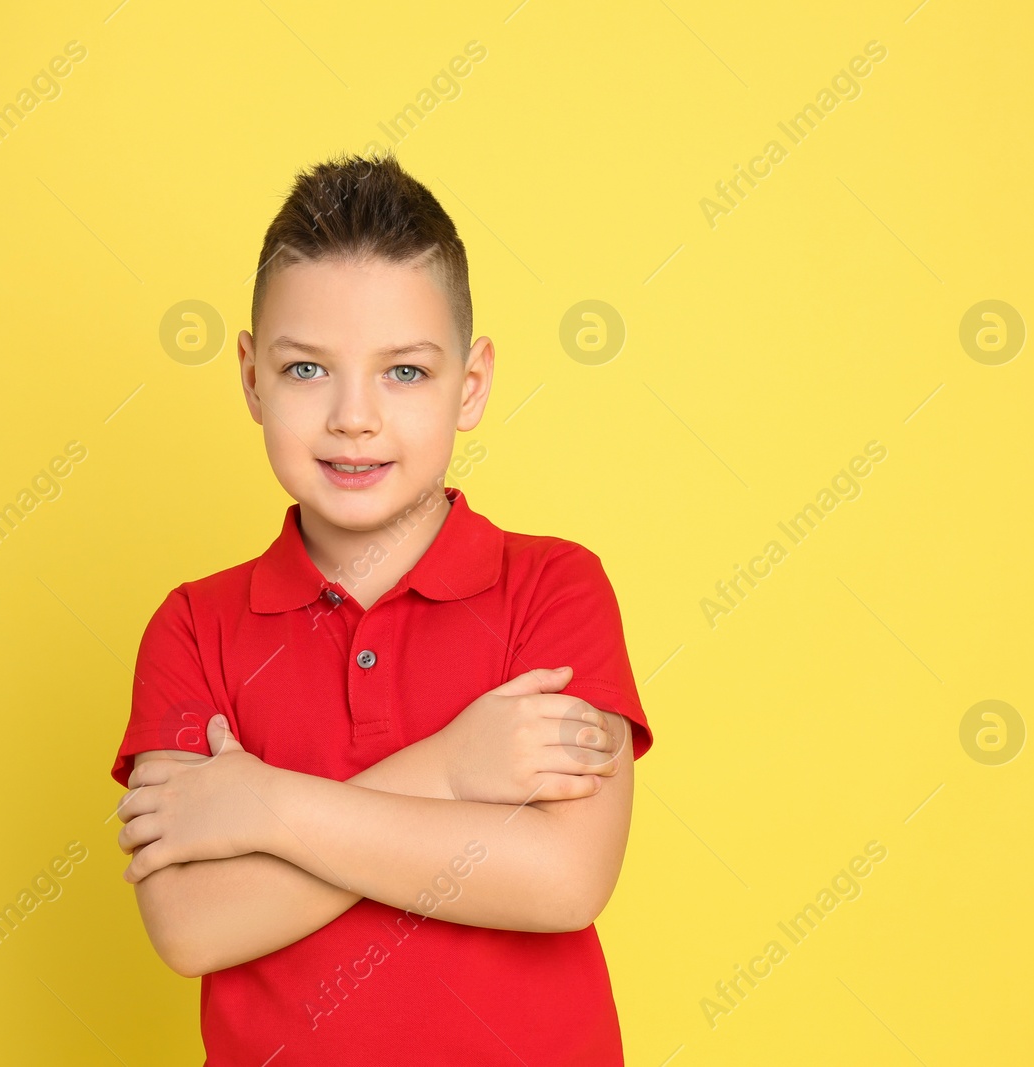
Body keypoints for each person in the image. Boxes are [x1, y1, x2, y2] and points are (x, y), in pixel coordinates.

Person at [110, 151, 653, 1065]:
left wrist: (260, 806)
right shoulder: (193, 627)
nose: (354, 417)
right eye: (307, 370)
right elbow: (193, 926)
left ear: (470, 383)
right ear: (250, 376)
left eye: (403, 372)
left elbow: (563, 879)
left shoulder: (555, 590)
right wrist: (450, 771)